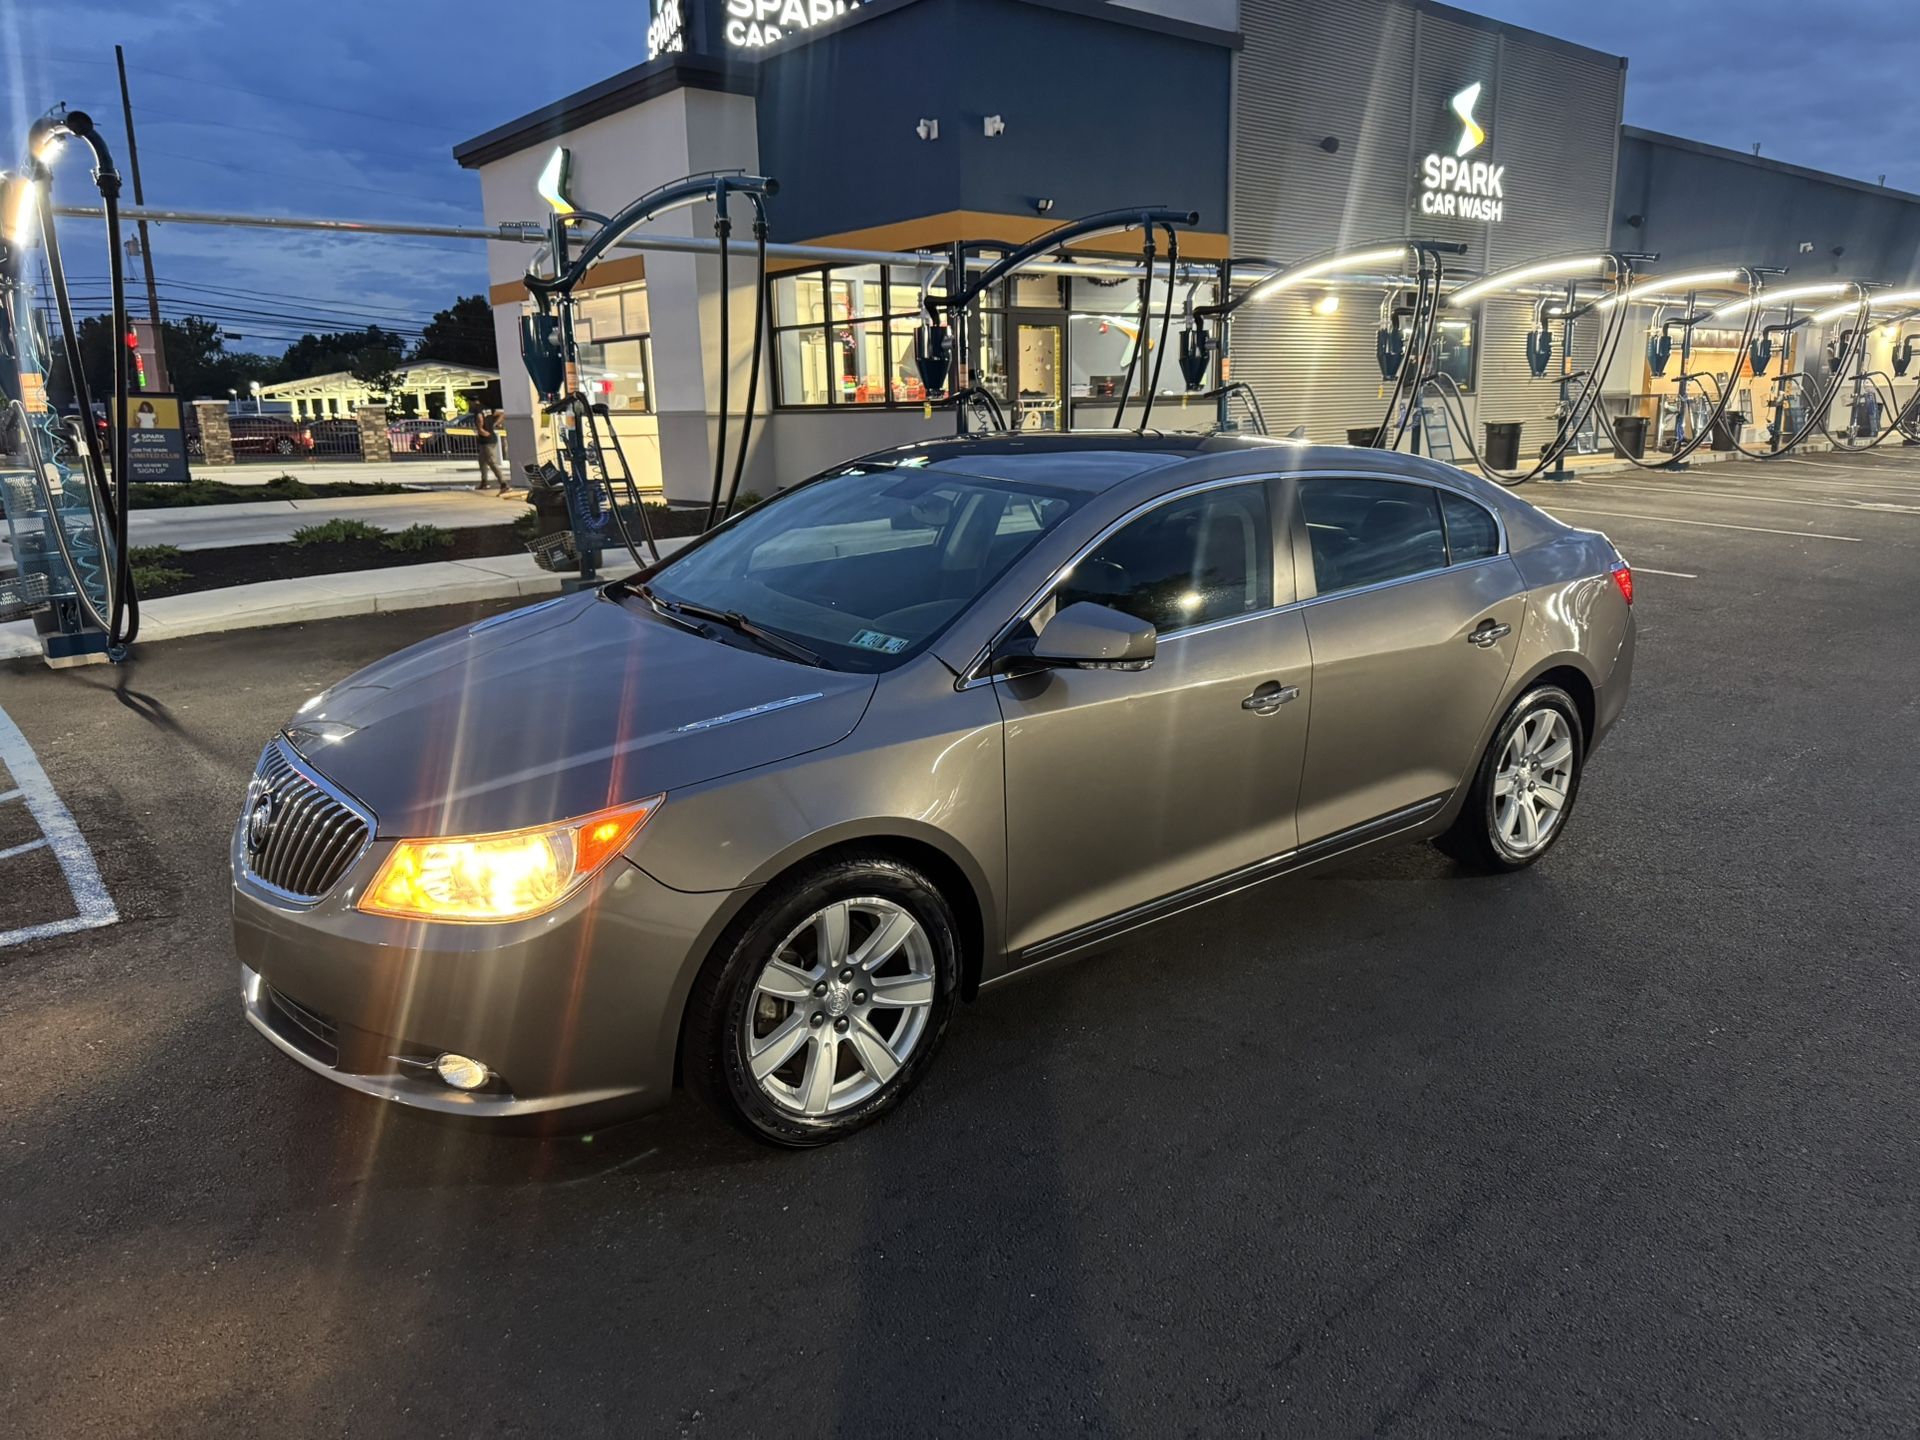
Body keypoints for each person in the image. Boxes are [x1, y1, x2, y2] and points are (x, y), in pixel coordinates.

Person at [473, 408, 510, 495]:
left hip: (487, 440)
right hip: (487, 440)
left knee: (492, 462)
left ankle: (504, 484)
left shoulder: (478, 411)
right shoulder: (488, 409)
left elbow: (479, 419)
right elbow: (502, 414)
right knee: (482, 461)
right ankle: (484, 482)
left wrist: (480, 429)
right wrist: (495, 423)